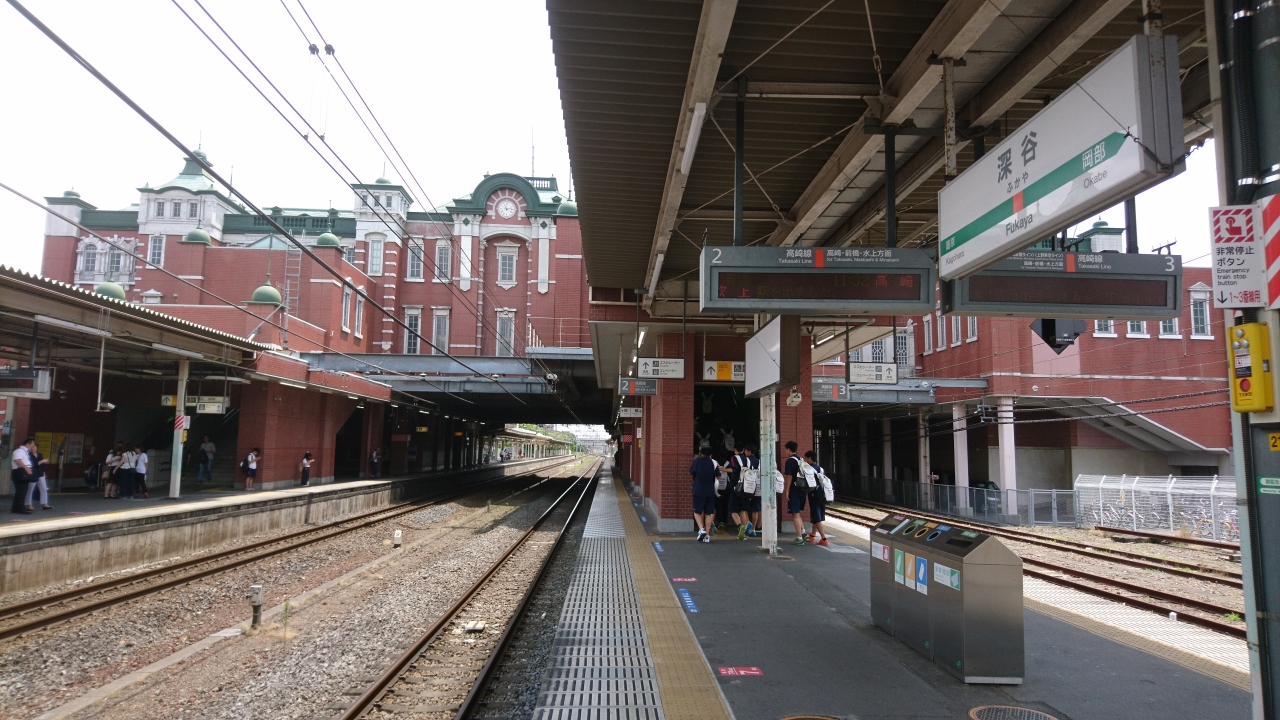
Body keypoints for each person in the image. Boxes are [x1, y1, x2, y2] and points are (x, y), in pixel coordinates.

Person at [688, 445, 718, 543]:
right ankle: (707, 536)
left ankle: (701, 529)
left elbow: (691, 471)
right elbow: (718, 476)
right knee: (709, 513)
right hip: (710, 490)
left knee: (697, 511)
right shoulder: (713, 462)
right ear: (710, 455)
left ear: (701, 454)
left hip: (699, 490)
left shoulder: (697, 461)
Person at [783, 440, 809, 546]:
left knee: (795, 515)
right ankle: (803, 533)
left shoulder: (790, 461)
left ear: (789, 449)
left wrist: (787, 489)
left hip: (794, 490)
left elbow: (789, 476)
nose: (785, 452)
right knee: (797, 513)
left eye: (786, 450)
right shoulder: (801, 460)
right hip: (802, 489)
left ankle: (799, 538)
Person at [726, 444, 751, 540]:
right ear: (743, 449)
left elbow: (732, 469)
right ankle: (743, 532)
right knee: (743, 510)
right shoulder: (748, 460)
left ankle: (740, 526)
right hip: (746, 487)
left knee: (734, 510)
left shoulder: (734, 458)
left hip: (736, 487)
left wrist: (721, 469)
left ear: (734, 450)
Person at [804, 450, 829, 546]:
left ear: (809, 458)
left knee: (817, 517)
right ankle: (812, 535)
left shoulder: (808, 469)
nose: (805, 460)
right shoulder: (821, 469)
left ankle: (824, 538)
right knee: (817, 515)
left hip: (814, 495)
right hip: (822, 494)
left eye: (806, 458)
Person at [10, 437, 34, 514]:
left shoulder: (25, 452)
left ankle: (17, 507)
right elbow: (17, 460)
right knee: (21, 490)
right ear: (28, 444)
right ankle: (19, 508)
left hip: (22, 472)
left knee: (22, 490)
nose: (33, 446)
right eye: (32, 444)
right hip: (20, 472)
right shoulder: (19, 451)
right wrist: (26, 468)